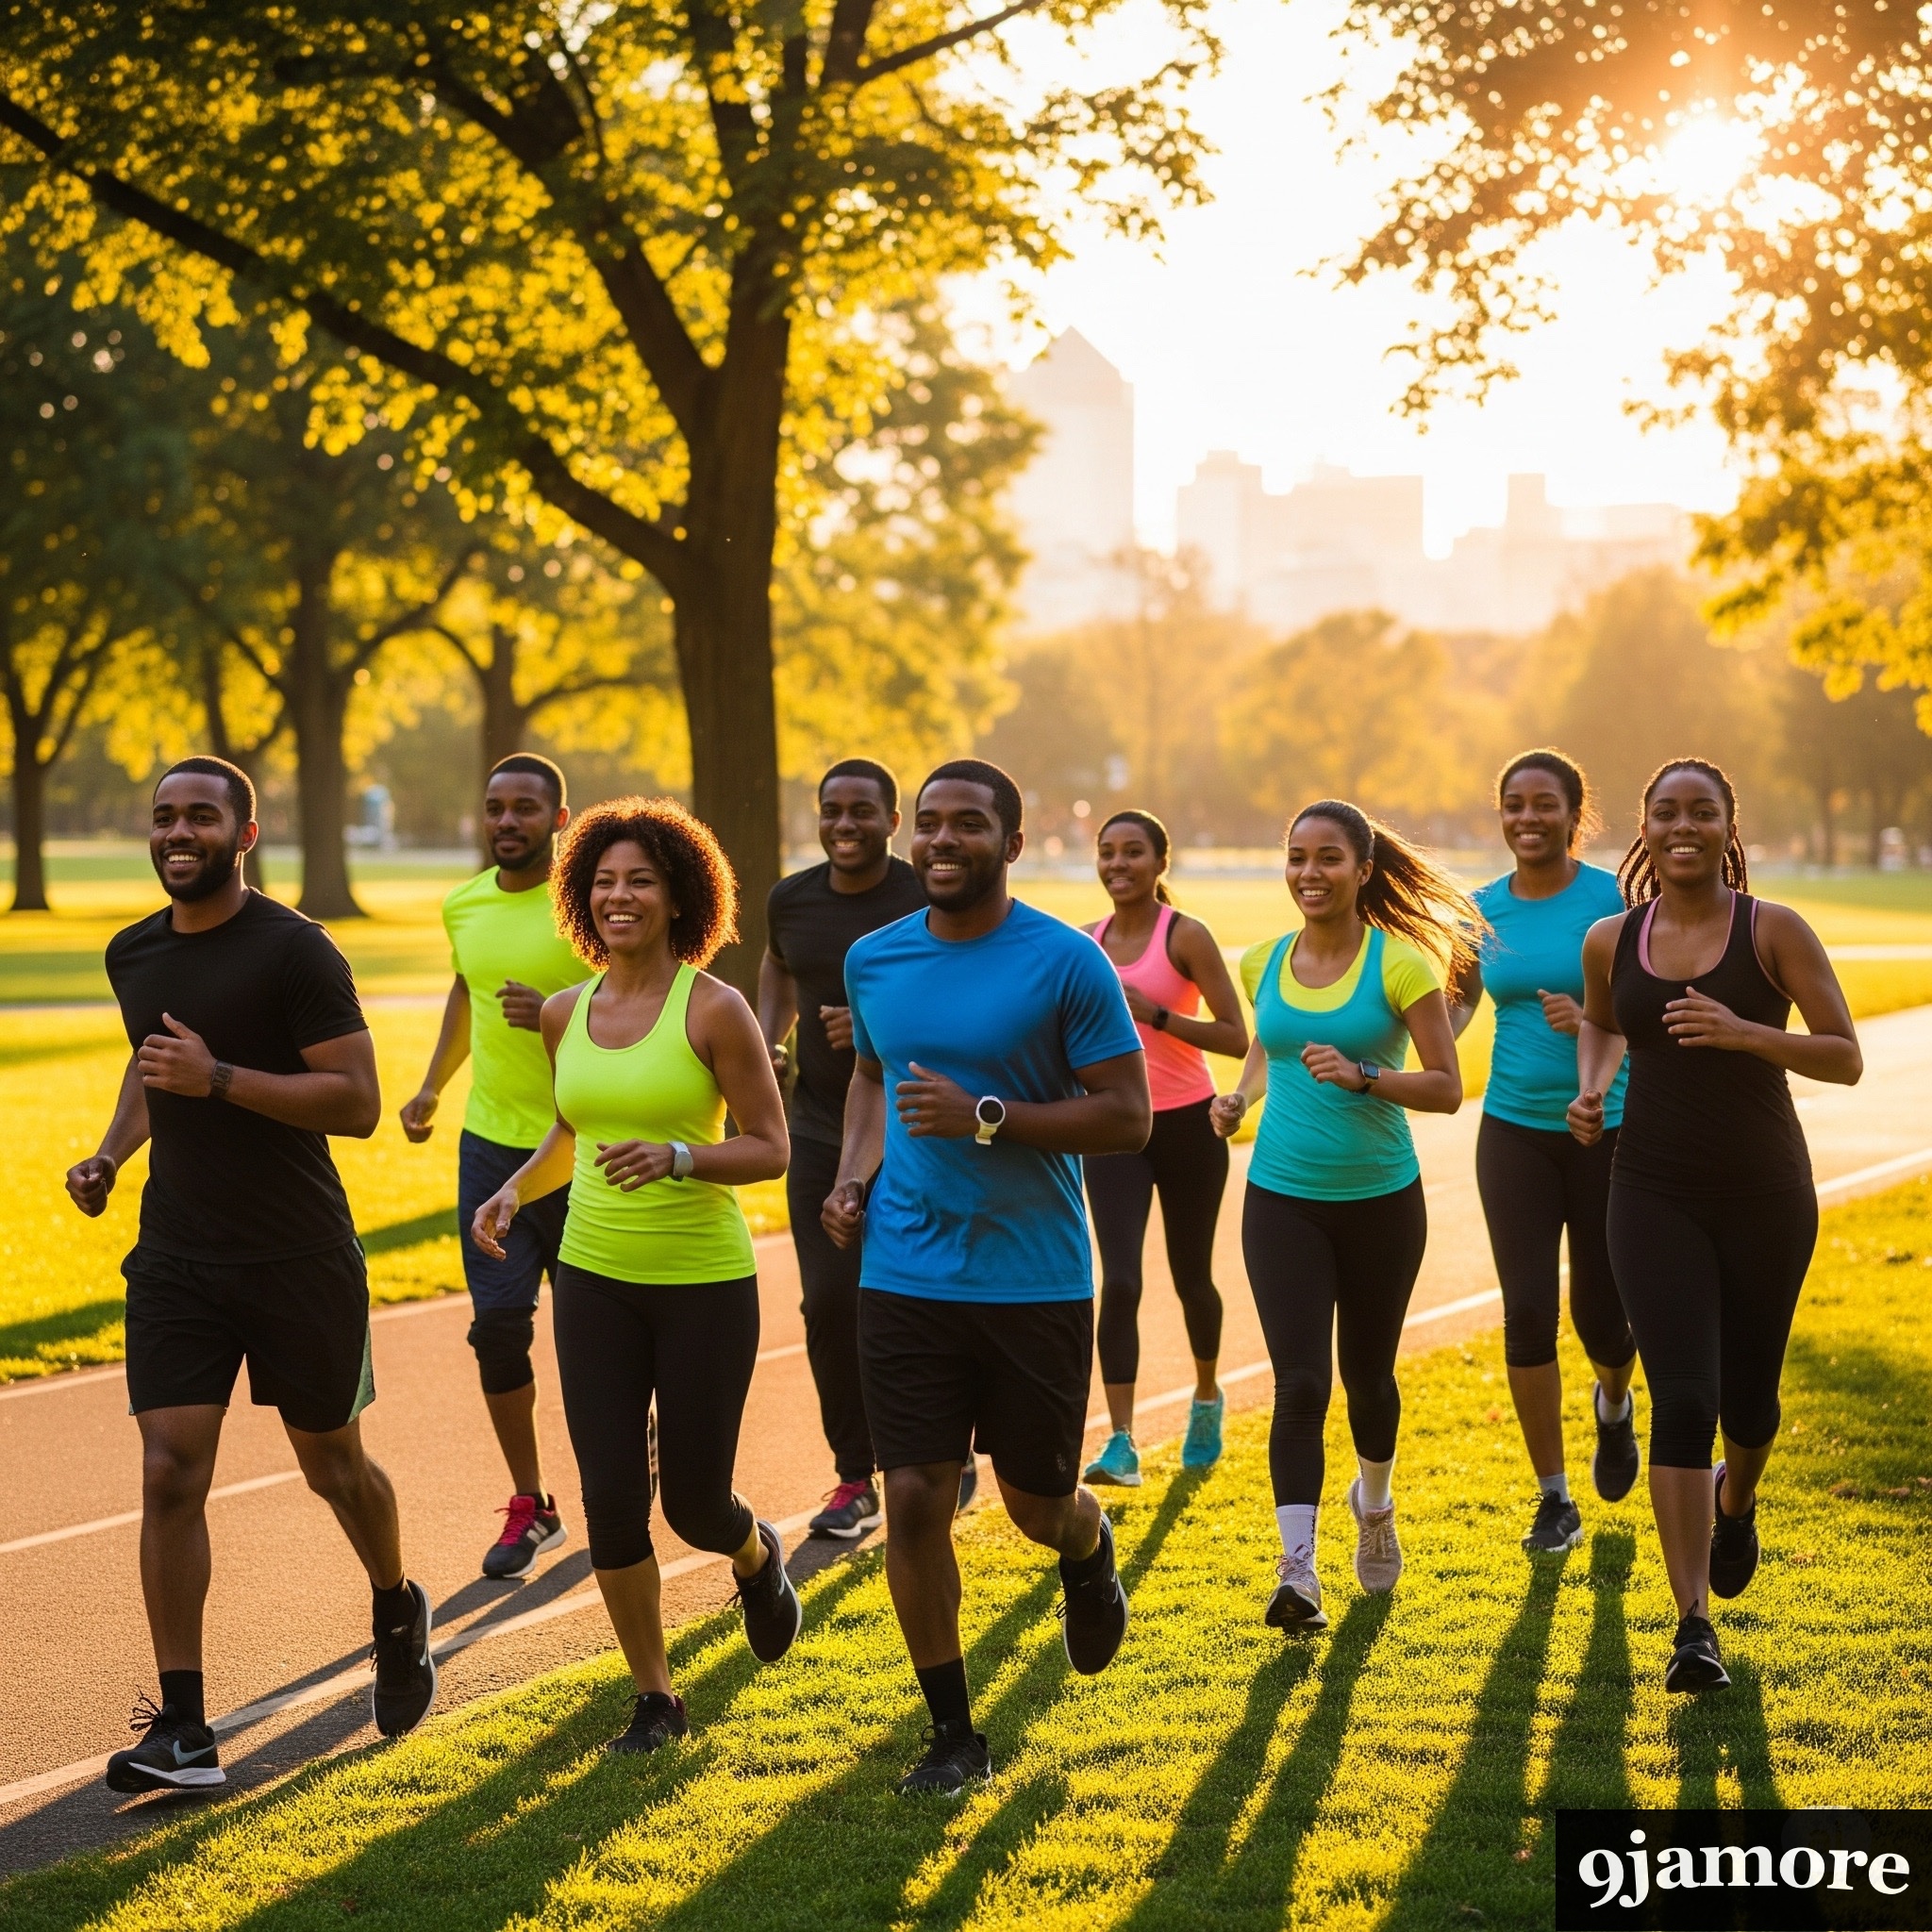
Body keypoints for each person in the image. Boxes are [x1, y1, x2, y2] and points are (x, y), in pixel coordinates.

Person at [67, 757, 437, 1794]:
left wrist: (220, 1078)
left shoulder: (295, 948)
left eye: (200, 815)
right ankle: (184, 1727)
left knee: (334, 1465)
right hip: (179, 1254)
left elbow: (356, 1099)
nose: (178, 831)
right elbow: (155, 1069)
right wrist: (111, 1153)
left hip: (298, 1257)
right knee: (169, 1468)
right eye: (164, 816)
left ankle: (396, 1602)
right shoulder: (131, 950)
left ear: (244, 829)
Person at [824, 758, 1149, 1796]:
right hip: (907, 1270)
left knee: (1033, 1502)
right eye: (928, 824)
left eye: (967, 824)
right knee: (913, 1493)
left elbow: (1127, 1114)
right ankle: (952, 1730)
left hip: (1032, 1277)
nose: (940, 841)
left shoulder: (1064, 963)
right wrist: (850, 1175)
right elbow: (874, 1075)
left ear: (1011, 843)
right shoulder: (872, 959)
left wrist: (988, 1115)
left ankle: (1087, 1543)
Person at [471, 796, 801, 1755]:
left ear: (677, 895)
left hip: (702, 1283)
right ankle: (655, 1696)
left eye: (640, 880)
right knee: (612, 1495)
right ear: (582, 896)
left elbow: (771, 1146)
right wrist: (510, 1188)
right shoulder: (567, 1010)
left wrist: (682, 1157)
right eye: (604, 880)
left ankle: (753, 1553)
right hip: (594, 1280)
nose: (619, 895)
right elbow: (573, 1129)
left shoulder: (714, 1006)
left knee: (695, 1502)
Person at [1568, 759, 1860, 1692]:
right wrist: (1587, 1085)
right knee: (1682, 1397)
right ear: (1642, 828)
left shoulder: (1769, 928)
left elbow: (1843, 1055)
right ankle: (1692, 1623)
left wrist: (1746, 1033)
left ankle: (1736, 1504)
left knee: (1749, 1402)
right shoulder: (1610, 936)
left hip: (1763, 1191)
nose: (1682, 824)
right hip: (1648, 1188)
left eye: (1702, 810)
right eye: (1664, 810)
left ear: (1728, 823)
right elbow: (1610, 1025)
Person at [1211, 801, 1478, 1632]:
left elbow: (1446, 1087)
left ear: (1364, 870)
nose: (1309, 873)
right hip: (1282, 1198)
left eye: (1329, 859)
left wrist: (1366, 1074)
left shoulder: (1400, 965)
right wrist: (1238, 1097)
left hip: (1381, 1203)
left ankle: (1376, 1503)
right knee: (1300, 1384)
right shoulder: (1263, 961)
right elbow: (1270, 1044)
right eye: (1296, 857)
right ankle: (1298, 1575)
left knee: (1368, 1378)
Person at [399, 754, 588, 1578]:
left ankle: (630, 1454)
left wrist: (554, 1012)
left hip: (586, 1145)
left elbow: (640, 997)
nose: (506, 821)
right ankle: (532, 1502)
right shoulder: (464, 905)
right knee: (499, 1332)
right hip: (490, 1146)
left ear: (559, 818)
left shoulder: (589, 904)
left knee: (595, 1335)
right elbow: (465, 991)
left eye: (524, 809)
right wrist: (433, 1087)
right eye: (494, 808)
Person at [1463, 751, 1639, 1556]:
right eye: (1513, 805)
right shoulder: (1481, 909)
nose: (1527, 818)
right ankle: (1553, 1499)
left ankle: (1613, 1402)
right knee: (1527, 1309)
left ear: (1576, 814)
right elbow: (1456, 1008)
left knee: (1601, 1312)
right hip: (1512, 1131)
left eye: (1544, 805)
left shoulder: (1615, 900)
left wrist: (1599, 1021)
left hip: (1609, 1128)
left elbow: (1654, 1001)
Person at [758, 758, 932, 1539]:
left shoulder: (921, 896)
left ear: (893, 822)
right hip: (820, 1130)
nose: (844, 824)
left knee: (913, 1303)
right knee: (829, 1304)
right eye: (832, 810)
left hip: (921, 1133)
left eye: (863, 811)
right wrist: (768, 1037)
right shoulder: (791, 900)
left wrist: (872, 1036)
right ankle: (854, 1477)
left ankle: (934, 1454)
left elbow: (953, 995)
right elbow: (778, 962)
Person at [1079, 809, 1248, 1486]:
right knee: (1118, 1281)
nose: (1118, 864)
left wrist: (1153, 1015)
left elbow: (1237, 1036)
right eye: (1107, 852)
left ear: (1159, 863)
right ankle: (1121, 1442)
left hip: (1186, 1125)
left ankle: (1206, 1395)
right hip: (1115, 1127)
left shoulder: (1186, 936)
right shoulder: (1084, 944)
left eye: (1132, 853)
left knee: (1190, 1276)